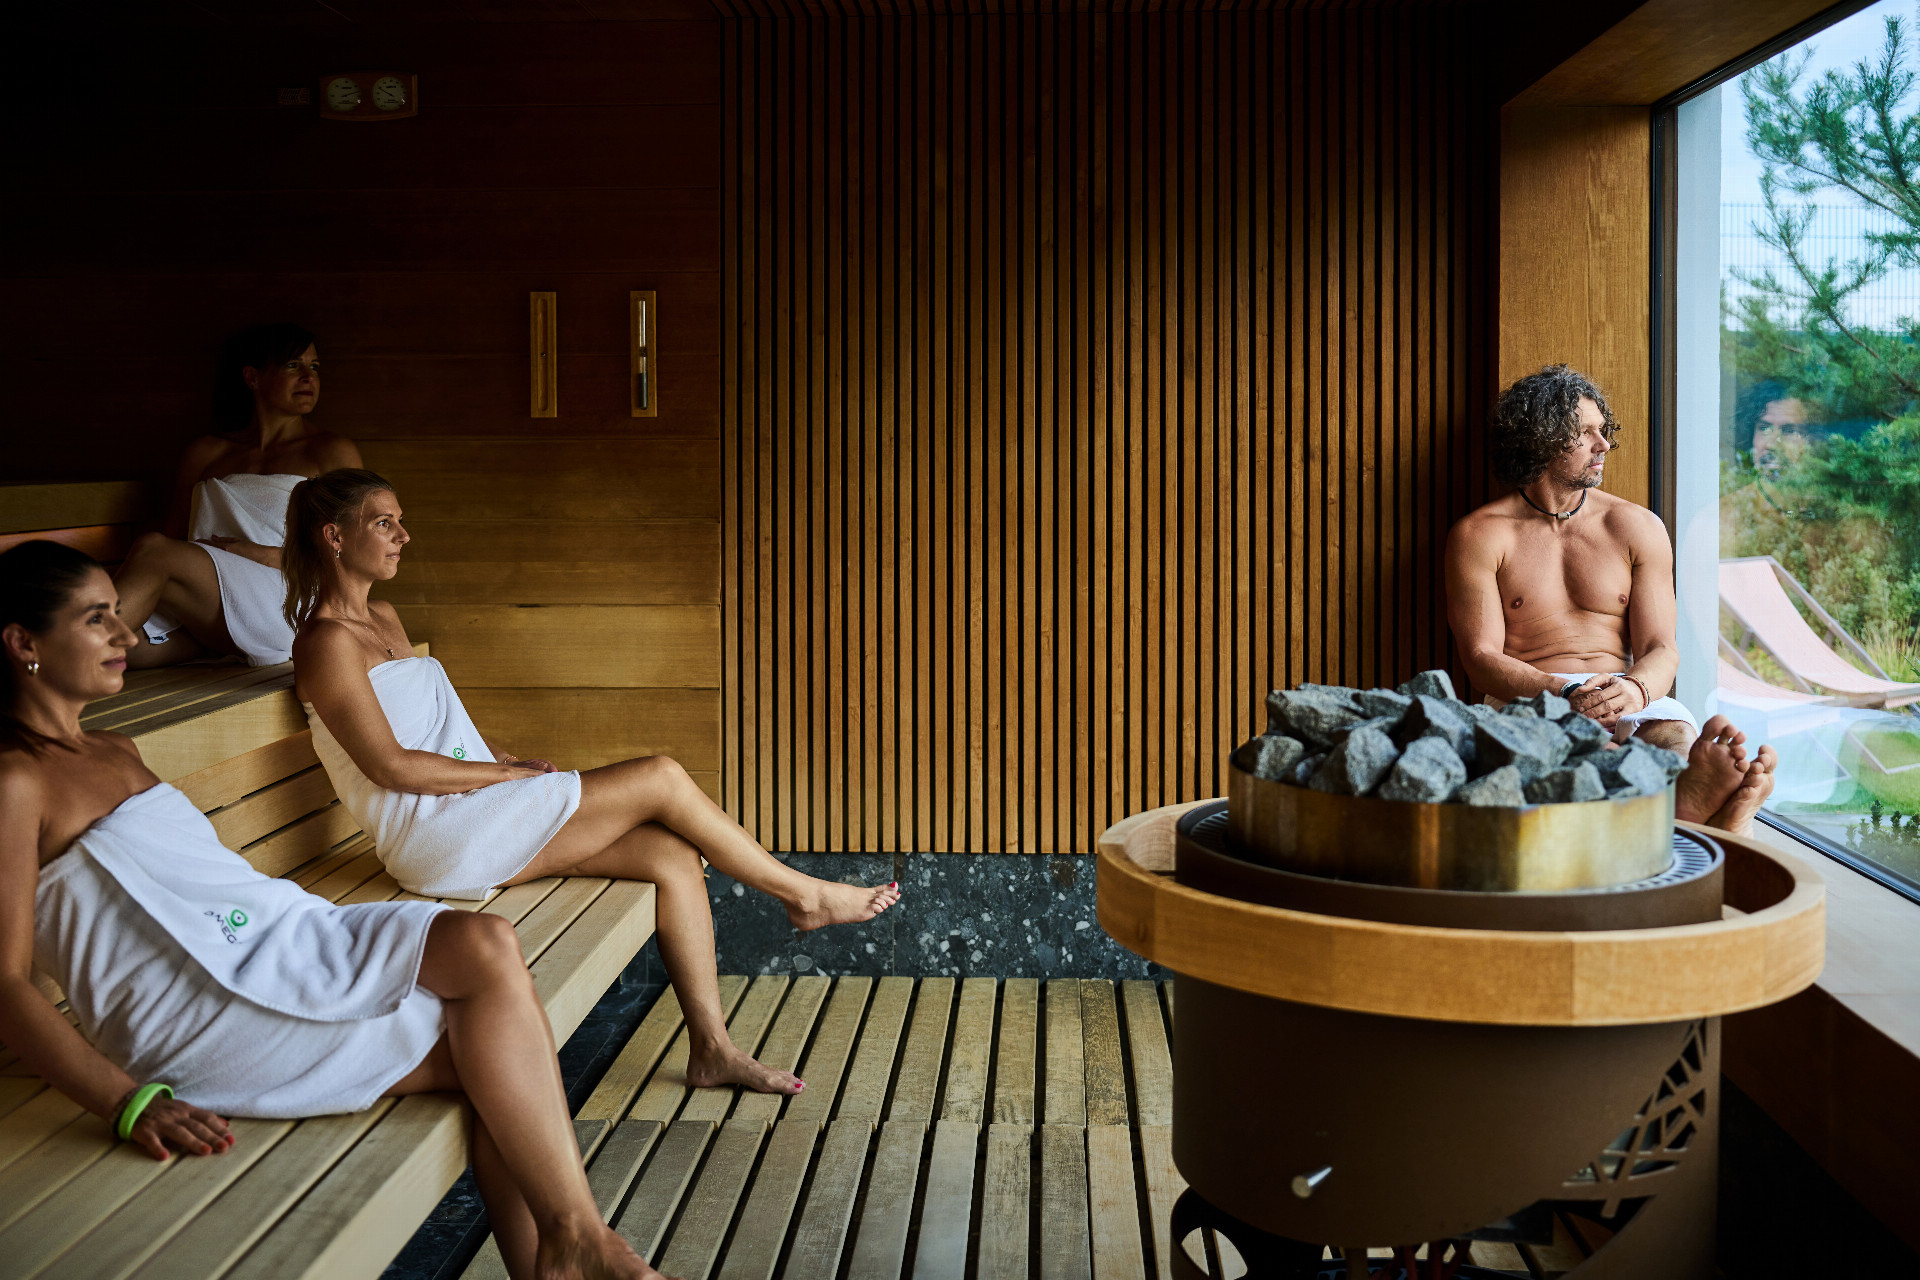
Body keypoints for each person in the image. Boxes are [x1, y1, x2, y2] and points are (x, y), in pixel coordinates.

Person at [0, 540, 671, 1280]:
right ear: (24, 643)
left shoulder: (116, 747)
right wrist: (125, 1101)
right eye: (98, 619)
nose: (128, 635)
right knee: (495, 1059)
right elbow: (4, 983)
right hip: (200, 1006)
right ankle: (578, 1245)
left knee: (485, 950)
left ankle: (571, 1245)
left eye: (117, 614)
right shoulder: (14, 785)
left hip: (278, 936)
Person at [287, 469, 901, 1097]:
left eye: (400, 521)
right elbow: (390, 766)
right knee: (661, 775)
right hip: (436, 836)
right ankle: (804, 895)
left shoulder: (384, 617)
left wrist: (503, 758)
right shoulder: (326, 642)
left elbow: (432, 727)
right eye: (383, 523)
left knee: (671, 856)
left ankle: (713, 1051)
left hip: (474, 809)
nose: (403, 535)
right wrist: (505, 775)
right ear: (334, 536)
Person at [1446, 364, 1776, 834]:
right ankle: (1703, 816)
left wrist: (1636, 690)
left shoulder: (1636, 527)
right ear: (1539, 439)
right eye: (1584, 433)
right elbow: (1480, 658)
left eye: (1602, 430)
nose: (1603, 444)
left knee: (1673, 735)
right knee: (1591, 760)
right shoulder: (1481, 535)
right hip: (1533, 700)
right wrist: (1563, 692)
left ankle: (1691, 793)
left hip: (1626, 693)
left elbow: (1661, 648)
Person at [115, 323, 361, 669]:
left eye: (315, 367)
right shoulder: (206, 453)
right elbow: (176, 534)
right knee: (125, 648)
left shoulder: (330, 452)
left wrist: (257, 554)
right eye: (293, 365)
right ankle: (212, 645)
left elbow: (355, 551)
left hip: (288, 601)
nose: (308, 377)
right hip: (209, 594)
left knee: (151, 550)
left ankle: (69, 652)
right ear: (252, 377)